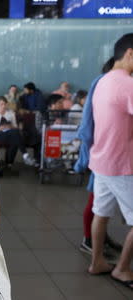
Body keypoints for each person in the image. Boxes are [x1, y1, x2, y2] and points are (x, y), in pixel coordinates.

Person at [88, 33, 133, 289]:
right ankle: (123, 268)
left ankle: (97, 262)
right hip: (122, 164)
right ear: (130, 53)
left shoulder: (102, 81)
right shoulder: (127, 84)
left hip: (101, 161)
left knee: (101, 213)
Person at [74, 57, 122, 258]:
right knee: (97, 200)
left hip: (110, 152)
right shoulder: (103, 83)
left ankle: (99, 237)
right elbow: (88, 123)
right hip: (102, 151)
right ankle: (89, 239)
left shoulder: (112, 84)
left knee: (102, 202)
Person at [0, 96, 36, 167]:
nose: (4, 106)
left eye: (5, 104)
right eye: (1, 104)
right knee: (15, 135)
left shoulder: (10, 113)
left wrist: (10, 126)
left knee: (15, 138)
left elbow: (15, 127)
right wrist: (0, 128)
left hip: (10, 134)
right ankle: (25, 155)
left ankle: (9, 164)